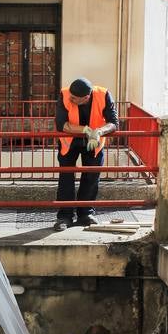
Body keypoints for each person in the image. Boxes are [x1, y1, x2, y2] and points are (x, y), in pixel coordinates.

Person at [53, 77, 118, 231]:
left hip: (93, 142)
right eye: (71, 95)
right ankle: (64, 216)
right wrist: (86, 130)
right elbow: (61, 124)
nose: (70, 98)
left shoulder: (103, 95)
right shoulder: (64, 94)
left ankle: (86, 214)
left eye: (74, 98)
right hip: (69, 142)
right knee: (66, 178)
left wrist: (99, 132)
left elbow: (114, 123)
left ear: (86, 97)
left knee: (91, 177)